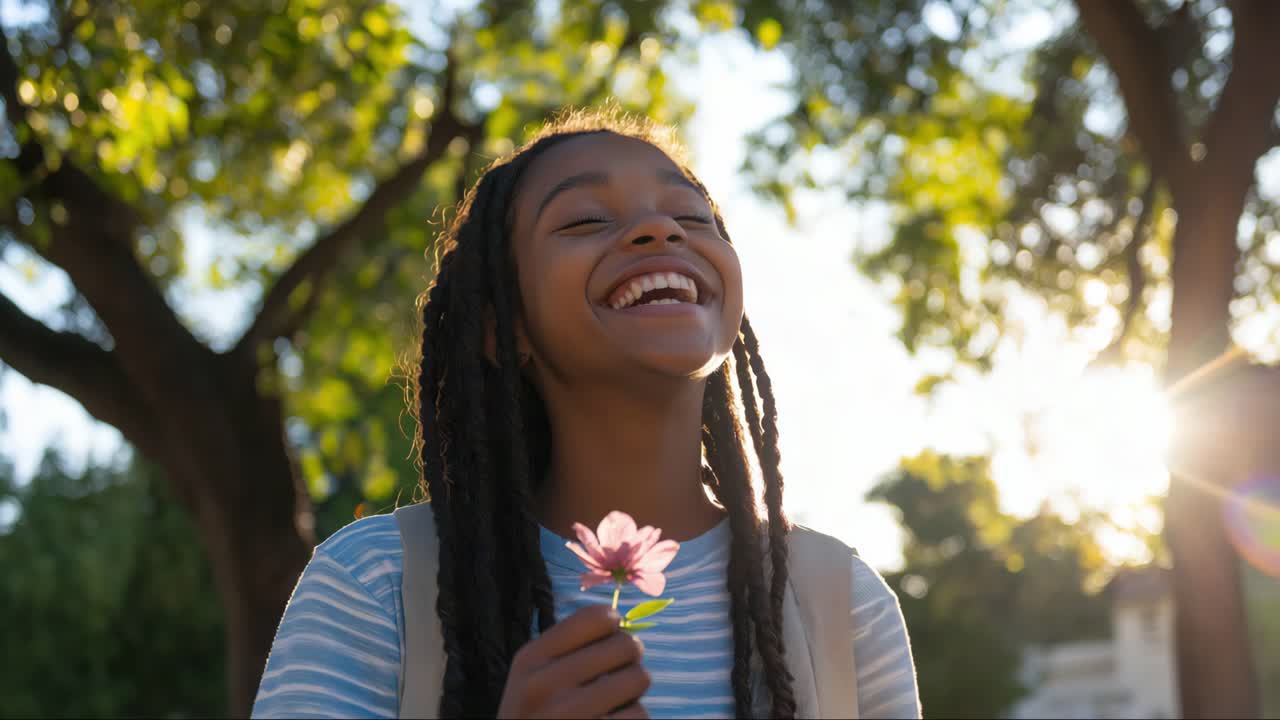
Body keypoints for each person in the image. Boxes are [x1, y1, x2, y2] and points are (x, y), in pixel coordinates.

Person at [251, 108, 920, 719]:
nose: (658, 230)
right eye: (584, 221)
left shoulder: (842, 602)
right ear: (498, 326)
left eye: (692, 219)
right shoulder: (379, 583)